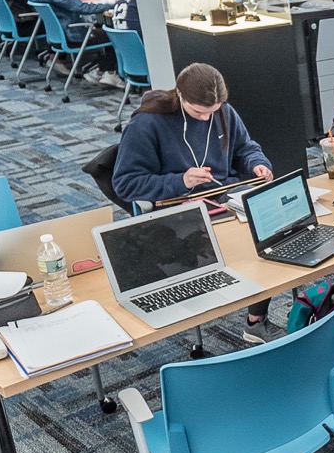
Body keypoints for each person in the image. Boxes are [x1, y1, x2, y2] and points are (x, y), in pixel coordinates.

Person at [113, 63, 276, 339]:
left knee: (271, 233)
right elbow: (125, 183)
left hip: (224, 198)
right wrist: (181, 181)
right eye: (198, 112)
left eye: (211, 113)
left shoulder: (223, 112)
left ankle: (255, 319)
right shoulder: (146, 124)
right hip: (177, 209)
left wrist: (257, 164)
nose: (205, 119)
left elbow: (246, 149)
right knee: (238, 247)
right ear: (180, 95)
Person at [24, 0, 117, 82]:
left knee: (100, 24)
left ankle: (102, 69)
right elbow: (80, 7)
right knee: (112, 32)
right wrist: (113, 3)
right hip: (72, 34)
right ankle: (107, 71)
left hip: (58, 33)